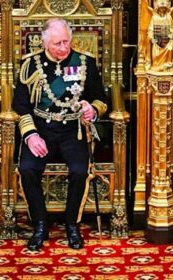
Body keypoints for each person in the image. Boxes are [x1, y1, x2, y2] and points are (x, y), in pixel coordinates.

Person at [12, 18, 107, 251]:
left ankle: (71, 224)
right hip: (40, 129)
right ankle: (40, 225)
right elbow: (20, 105)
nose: (63, 48)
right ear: (45, 43)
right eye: (57, 44)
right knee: (27, 169)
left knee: (78, 170)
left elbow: (102, 99)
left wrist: (92, 109)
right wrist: (31, 135)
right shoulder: (30, 66)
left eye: (66, 42)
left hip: (72, 130)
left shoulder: (85, 62)